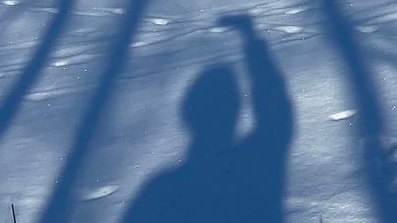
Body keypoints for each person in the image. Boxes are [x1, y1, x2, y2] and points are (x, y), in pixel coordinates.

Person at [123, 14, 293, 222]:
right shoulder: (257, 162)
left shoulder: (163, 192)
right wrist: (251, 40)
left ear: (187, 115)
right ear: (236, 111)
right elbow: (275, 111)